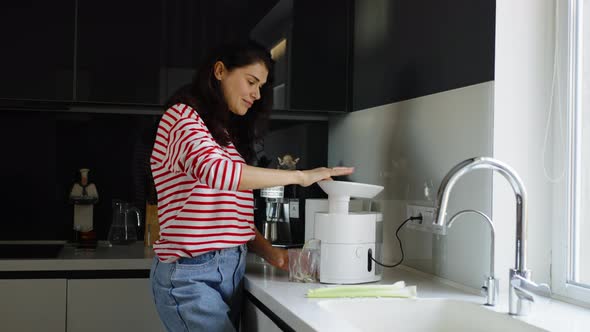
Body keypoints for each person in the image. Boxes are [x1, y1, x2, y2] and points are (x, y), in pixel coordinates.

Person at [149, 41, 354, 332]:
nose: (257, 95)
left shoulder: (223, 137)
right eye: (251, 82)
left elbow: (234, 221)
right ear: (220, 71)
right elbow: (219, 173)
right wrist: (301, 176)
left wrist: (275, 255)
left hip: (229, 272)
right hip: (190, 276)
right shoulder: (181, 117)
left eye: (261, 86)